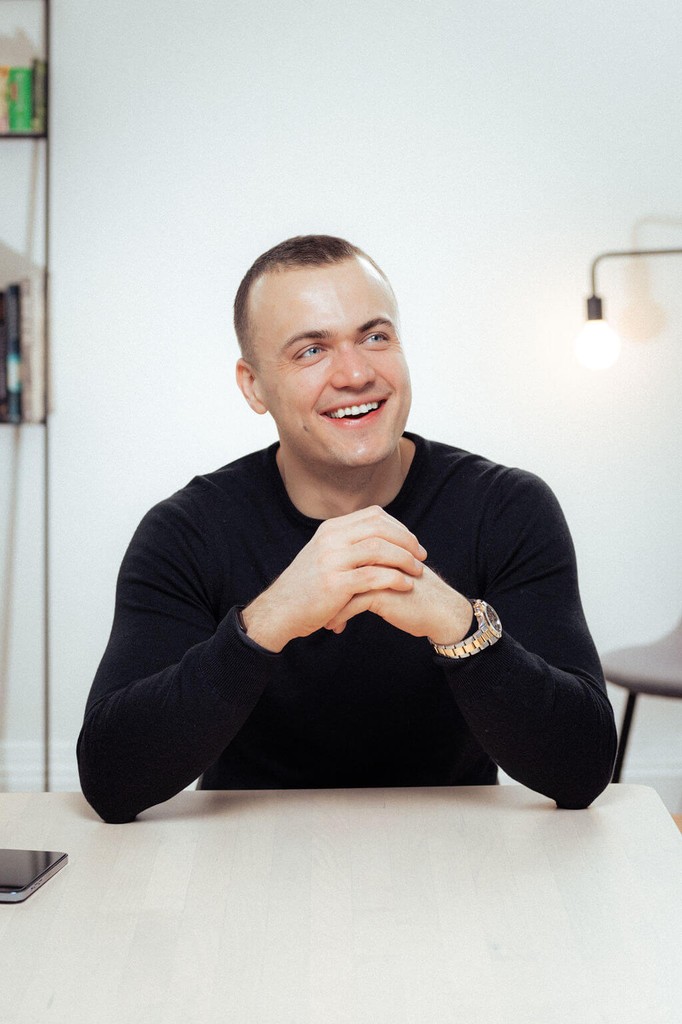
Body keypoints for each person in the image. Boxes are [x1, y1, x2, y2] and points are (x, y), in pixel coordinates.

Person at [78, 234, 617, 823]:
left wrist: (457, 624)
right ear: (253, 385)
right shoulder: (186, 531)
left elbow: (583, 768)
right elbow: (112, 779)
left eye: (375, 337)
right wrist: (268, 621)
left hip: (459, 849)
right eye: (311, 351)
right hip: (243, 858)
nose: (356, 373)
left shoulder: (507, 507)